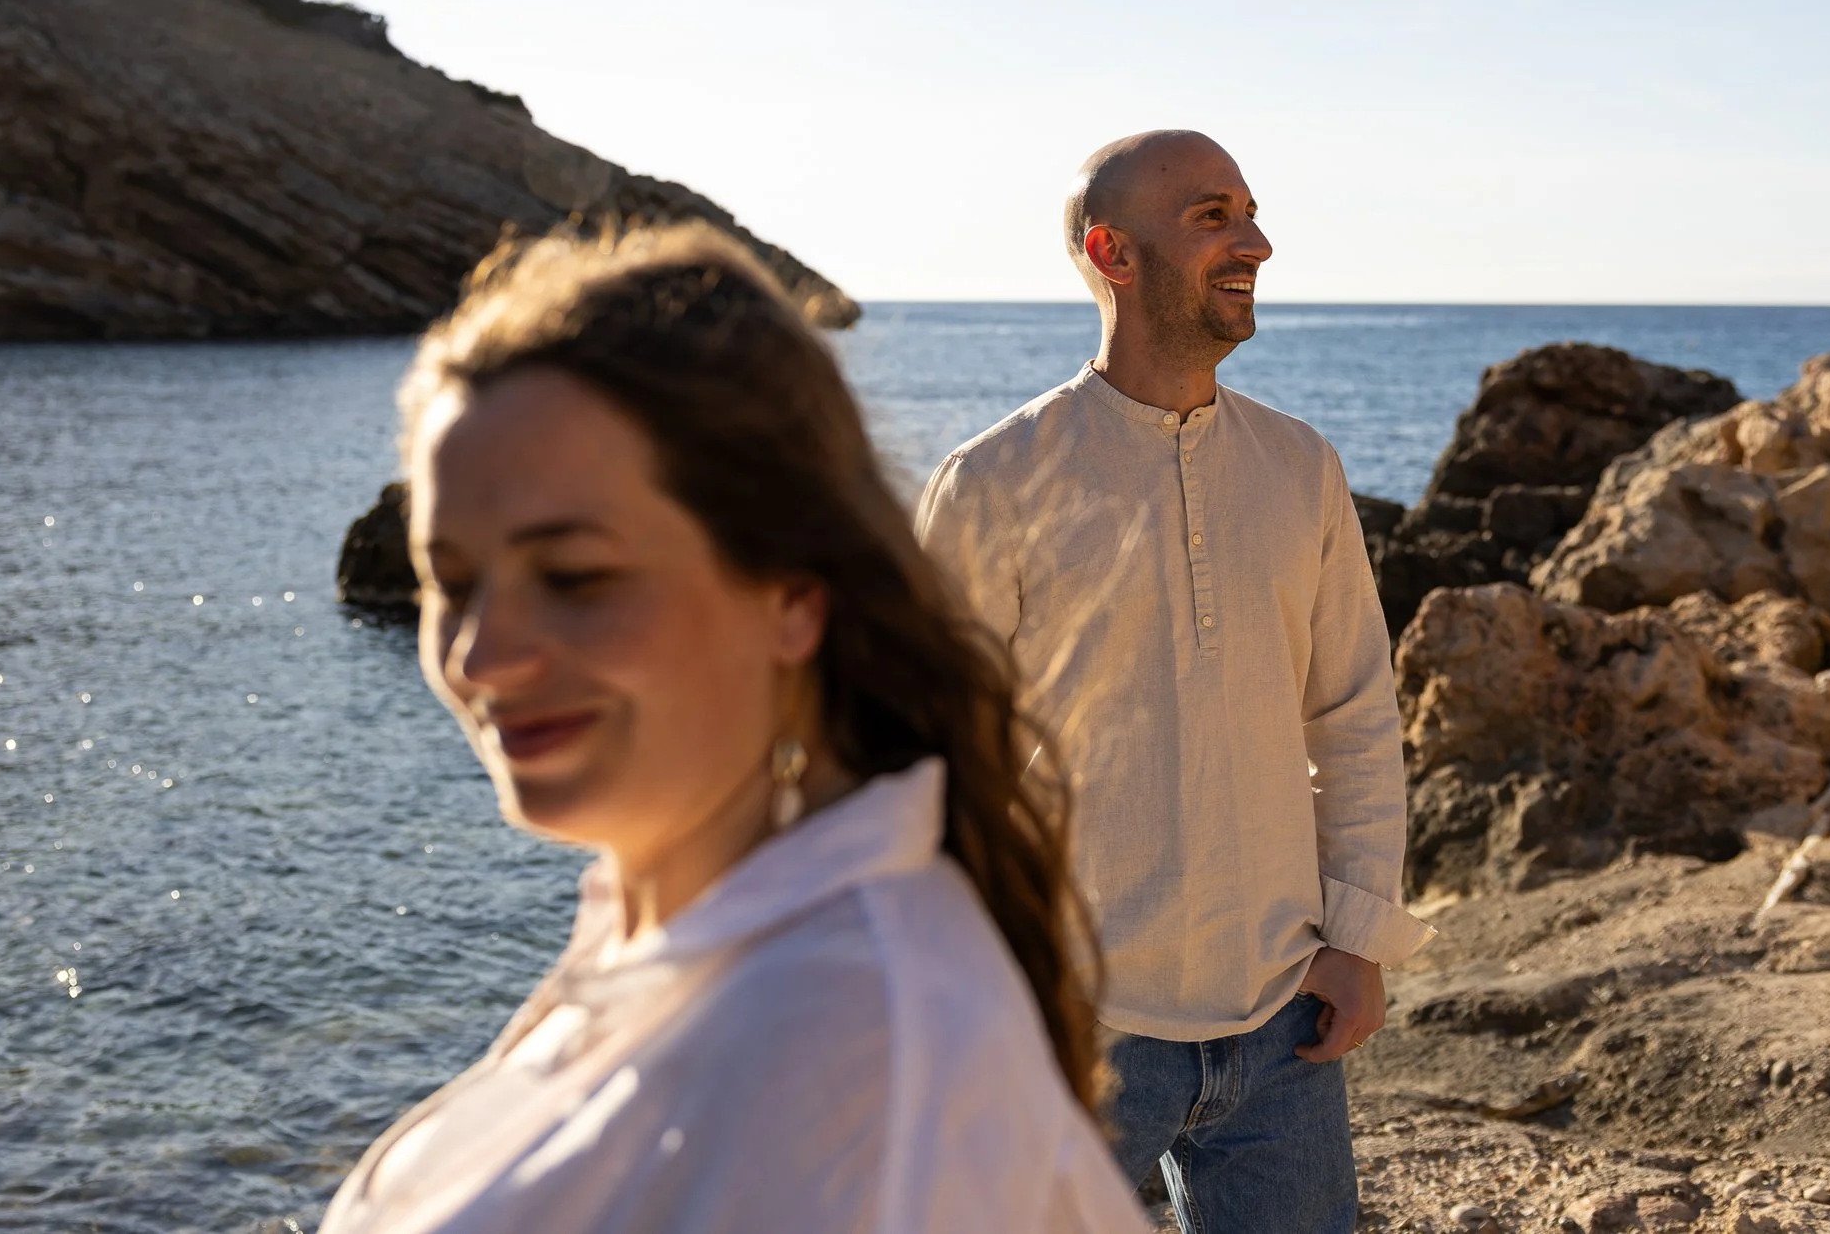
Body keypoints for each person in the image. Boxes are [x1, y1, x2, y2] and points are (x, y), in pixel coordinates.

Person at [320, 224, 1146, 1234]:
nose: (479, 655)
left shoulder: (855, 1054)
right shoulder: (689, 933)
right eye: (450, 581)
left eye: (575, 577)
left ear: (792, 591)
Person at [917, 131, 1428, 1233]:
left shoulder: (1301, 466)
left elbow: (1351, 715)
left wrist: (1357, 940)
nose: (1256, 241)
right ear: (1113, 251)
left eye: (1248, 210)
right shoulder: (996, 482)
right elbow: (926, 760)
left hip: (1283, 1014)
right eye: (1213, 216)